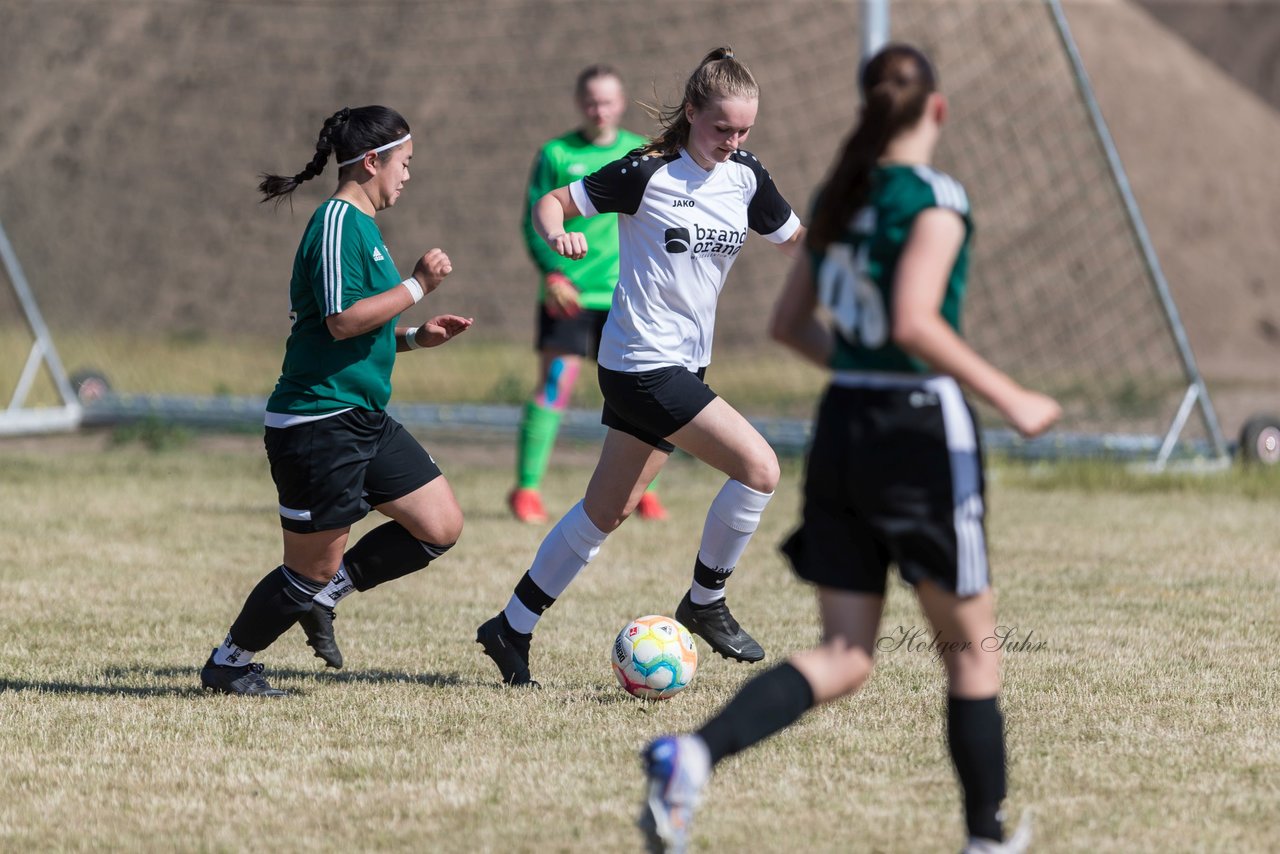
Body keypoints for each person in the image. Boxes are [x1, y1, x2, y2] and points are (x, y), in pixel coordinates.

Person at [637, 44, 1061, 854]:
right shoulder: (935, 196)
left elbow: (790, 326)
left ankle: (692, 757)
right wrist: (1012, 398)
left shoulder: (839, 194)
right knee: (972, 652)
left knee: (845, 653)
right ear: (936, 110)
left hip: (843, 430)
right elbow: (912, 322)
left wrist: (863, 373)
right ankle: (985, 839)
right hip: (918, 433)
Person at [476, 47, 805, 687]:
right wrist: (557, 237)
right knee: (760, 468)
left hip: (682, 366)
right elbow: (553, 203)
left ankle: (510, 626)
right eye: (721, 130)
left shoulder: (746, 177)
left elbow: (797, 241)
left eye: (744, 131)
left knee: (608, 509)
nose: (732, 142)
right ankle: (705, 601)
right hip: (640, 364)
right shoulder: (647, 172)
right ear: (691, 114)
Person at [199, 106, 473, 696]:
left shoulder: (365, 229)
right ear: (372, 161)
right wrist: (418, 286)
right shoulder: (336, 223)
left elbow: (357, 333)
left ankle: (323, 597)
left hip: (361, 417)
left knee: (439, 526)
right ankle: (230, 662)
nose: (407, 176)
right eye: (405, 163)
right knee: (306, 569)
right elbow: (341, 321)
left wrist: (413, 338)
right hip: (317, 421)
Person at [510, 64, 669, 525]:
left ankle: (645, 492)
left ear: (621, 103)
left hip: (628, 297)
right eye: (591, 101)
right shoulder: (557, 153)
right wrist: (554, 273)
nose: (599, 109)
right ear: (580, 103)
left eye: (608, 101)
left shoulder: (641, 153)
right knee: (556, 386)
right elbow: (533, 219)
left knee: (640, 392)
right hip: (571, 296)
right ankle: (526, 489)